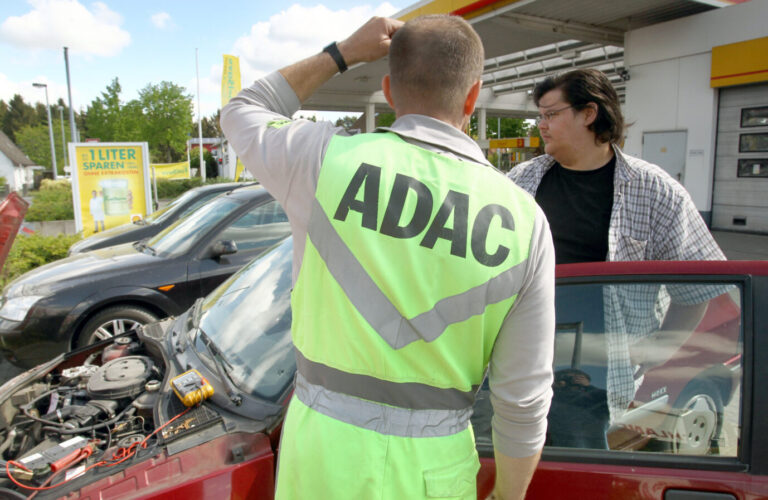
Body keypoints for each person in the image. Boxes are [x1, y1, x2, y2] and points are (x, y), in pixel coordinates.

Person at [222, 15, 555, 500]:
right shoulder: (526, 221)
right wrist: (507, 495)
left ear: (389, 91)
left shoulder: (320, 160)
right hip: (434, 474)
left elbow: (243, 107)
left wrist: (343, 52)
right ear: (472, 97)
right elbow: (523, 401)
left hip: (320, 461)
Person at [507, 68, 725, 264]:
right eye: (541, 117)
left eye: (551, 115)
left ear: (589, 113)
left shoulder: (656, 191)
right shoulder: (519, 181)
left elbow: (705, 282)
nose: (541, 126)